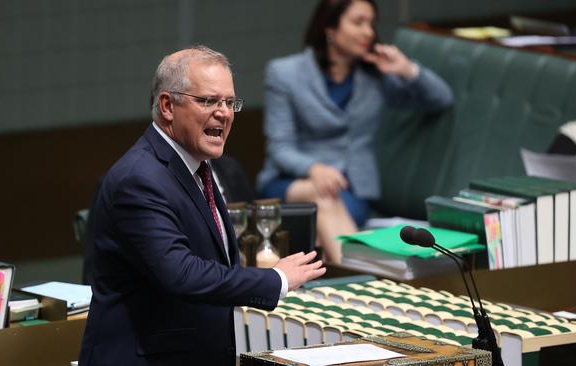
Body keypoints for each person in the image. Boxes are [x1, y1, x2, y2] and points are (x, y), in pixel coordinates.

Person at [78, 46, 326, 366]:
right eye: (208, 101)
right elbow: (180, 273)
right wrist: (274, 280)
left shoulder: (199, 165)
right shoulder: (139, 178)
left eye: (229, 102)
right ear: (168, 105)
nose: (224, 113)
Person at [256, 0, 454, 264]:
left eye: (371, 24)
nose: (368, 32)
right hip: (291, 182)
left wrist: (406, 69)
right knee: (321, 195)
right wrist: (314, 169)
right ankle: (359, 278)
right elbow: (280, 148)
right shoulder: (285, 73)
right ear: (330, 27)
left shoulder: (376, 77)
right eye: (358, 22)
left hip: (353, 189)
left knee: (324, 208)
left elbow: (441, 99)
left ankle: (344, 276)